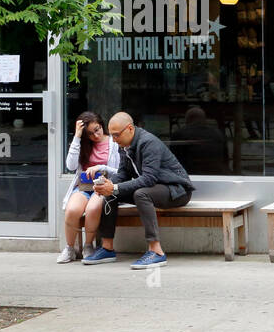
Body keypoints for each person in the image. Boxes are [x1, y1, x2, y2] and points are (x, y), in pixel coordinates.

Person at [85, 112, 194, 270]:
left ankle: (156, 251)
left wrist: (114, 187)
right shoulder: (124, 145)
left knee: (140, 194)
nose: (113, 140)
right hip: (154, 187)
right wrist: (107, 185)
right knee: (111, 193)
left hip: (176, 190)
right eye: (112, 135)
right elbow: (123, 174)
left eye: (116, 135)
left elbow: (149, 179)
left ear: (129, 129)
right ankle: (107, 248)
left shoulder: (148, 142)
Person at [58, 110, 120, 263]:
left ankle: (88, 246)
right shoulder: (83, 144)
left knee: (93, 208)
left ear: (102, 125)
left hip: (103, 186)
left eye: (97, 130)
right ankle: (70, 248)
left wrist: (101, 167)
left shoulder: (114, 143)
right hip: (84, 186)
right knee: (72, 209)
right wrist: (77, 137)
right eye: (90, 134)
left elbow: (120, 170)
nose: (96, 136)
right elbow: (71, 166)